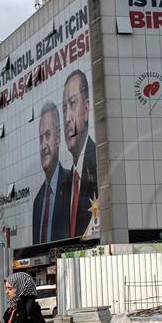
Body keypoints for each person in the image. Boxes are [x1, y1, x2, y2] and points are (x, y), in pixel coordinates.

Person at [62, 69, 98, 238]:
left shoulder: (100, 163)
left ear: (86, 108)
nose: (67, 118)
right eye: (64, 108)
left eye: (73, 103)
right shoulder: (67, 182)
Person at [32, 101, 72, 244]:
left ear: (58, 137)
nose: (43, 145)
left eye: (47, 135)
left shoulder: (72, 184)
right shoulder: (37, 202)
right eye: (40, 138)